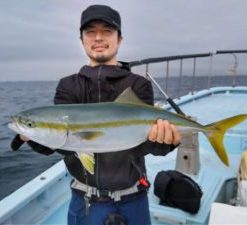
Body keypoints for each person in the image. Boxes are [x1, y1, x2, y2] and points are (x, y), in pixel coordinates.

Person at [12, 4, 181, 225]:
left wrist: (164, 143)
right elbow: (63, 143)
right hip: (84, 200)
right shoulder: (68, 86)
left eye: (107, 31)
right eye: (90, 32)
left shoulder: (137, 85)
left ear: (119, 39)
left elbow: (142, 144)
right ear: (82, 39)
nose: (98, 37)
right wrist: (33, 136)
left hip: (134, 197)